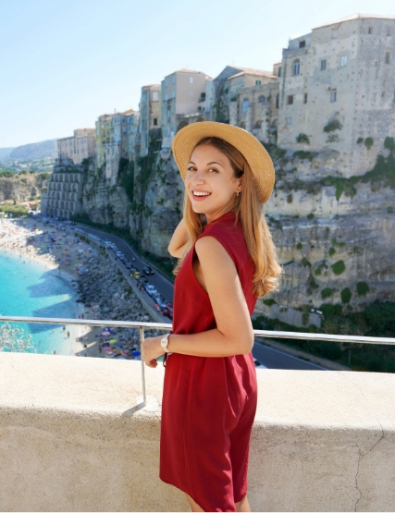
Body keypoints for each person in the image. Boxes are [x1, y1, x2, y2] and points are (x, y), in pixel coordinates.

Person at [141, 122, 282, 512]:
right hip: (235, 380)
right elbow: (174, 247)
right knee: (233, 496)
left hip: (203, 386)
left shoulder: (211, 246)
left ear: (240, 183)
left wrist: (163, 344)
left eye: (214, 169)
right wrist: (199, 197)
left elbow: (239, 338)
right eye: (191, 168)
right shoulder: (238, 231)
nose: (196, 177)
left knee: (208, 505)